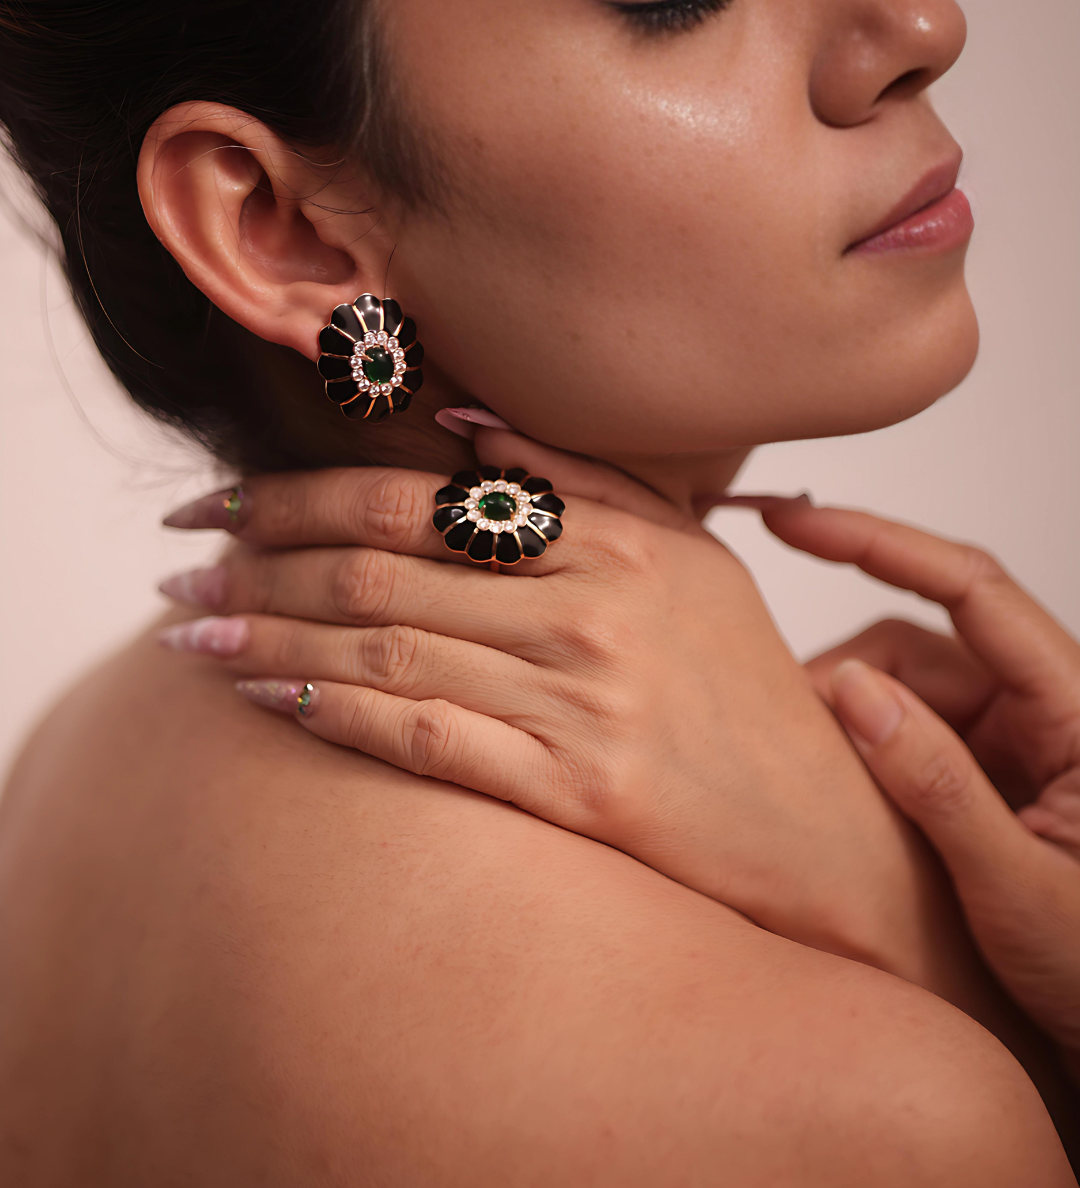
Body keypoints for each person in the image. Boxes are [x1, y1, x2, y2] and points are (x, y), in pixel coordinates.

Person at [0, 0, 1077, 1182]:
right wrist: (970, 987)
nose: (922, 26)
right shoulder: (879, 1116)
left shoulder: (76, 757)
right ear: (280, 230)